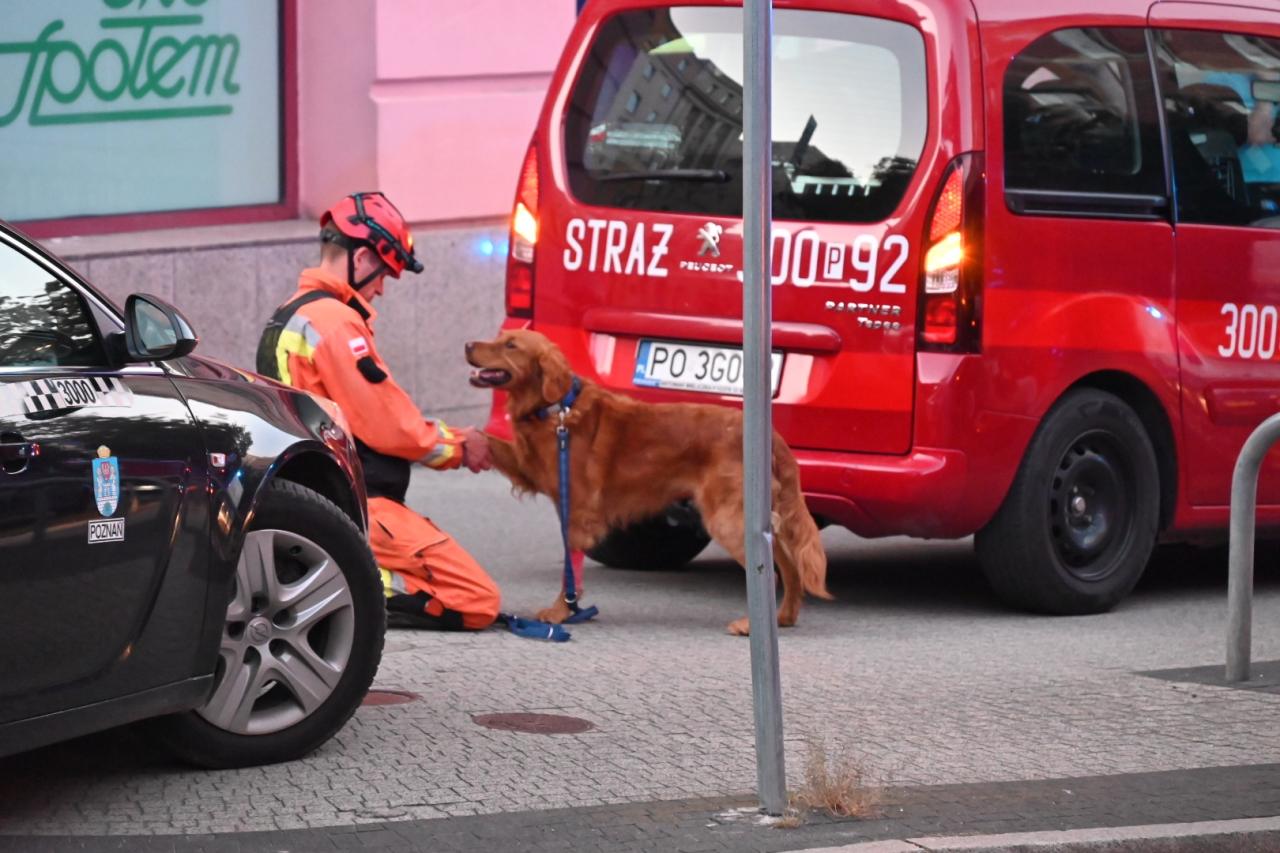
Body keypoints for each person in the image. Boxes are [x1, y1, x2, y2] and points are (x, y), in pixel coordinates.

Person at [256, 191, 501, 630]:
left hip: (318, 498)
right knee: (477, 600)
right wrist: (462, 446)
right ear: (364, 258)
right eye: (385, 273)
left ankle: (335, 579)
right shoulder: (335, 323)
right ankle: (358, 588)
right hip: (360, 503)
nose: (383, 288)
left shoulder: (290, 315)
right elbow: (387, 424)